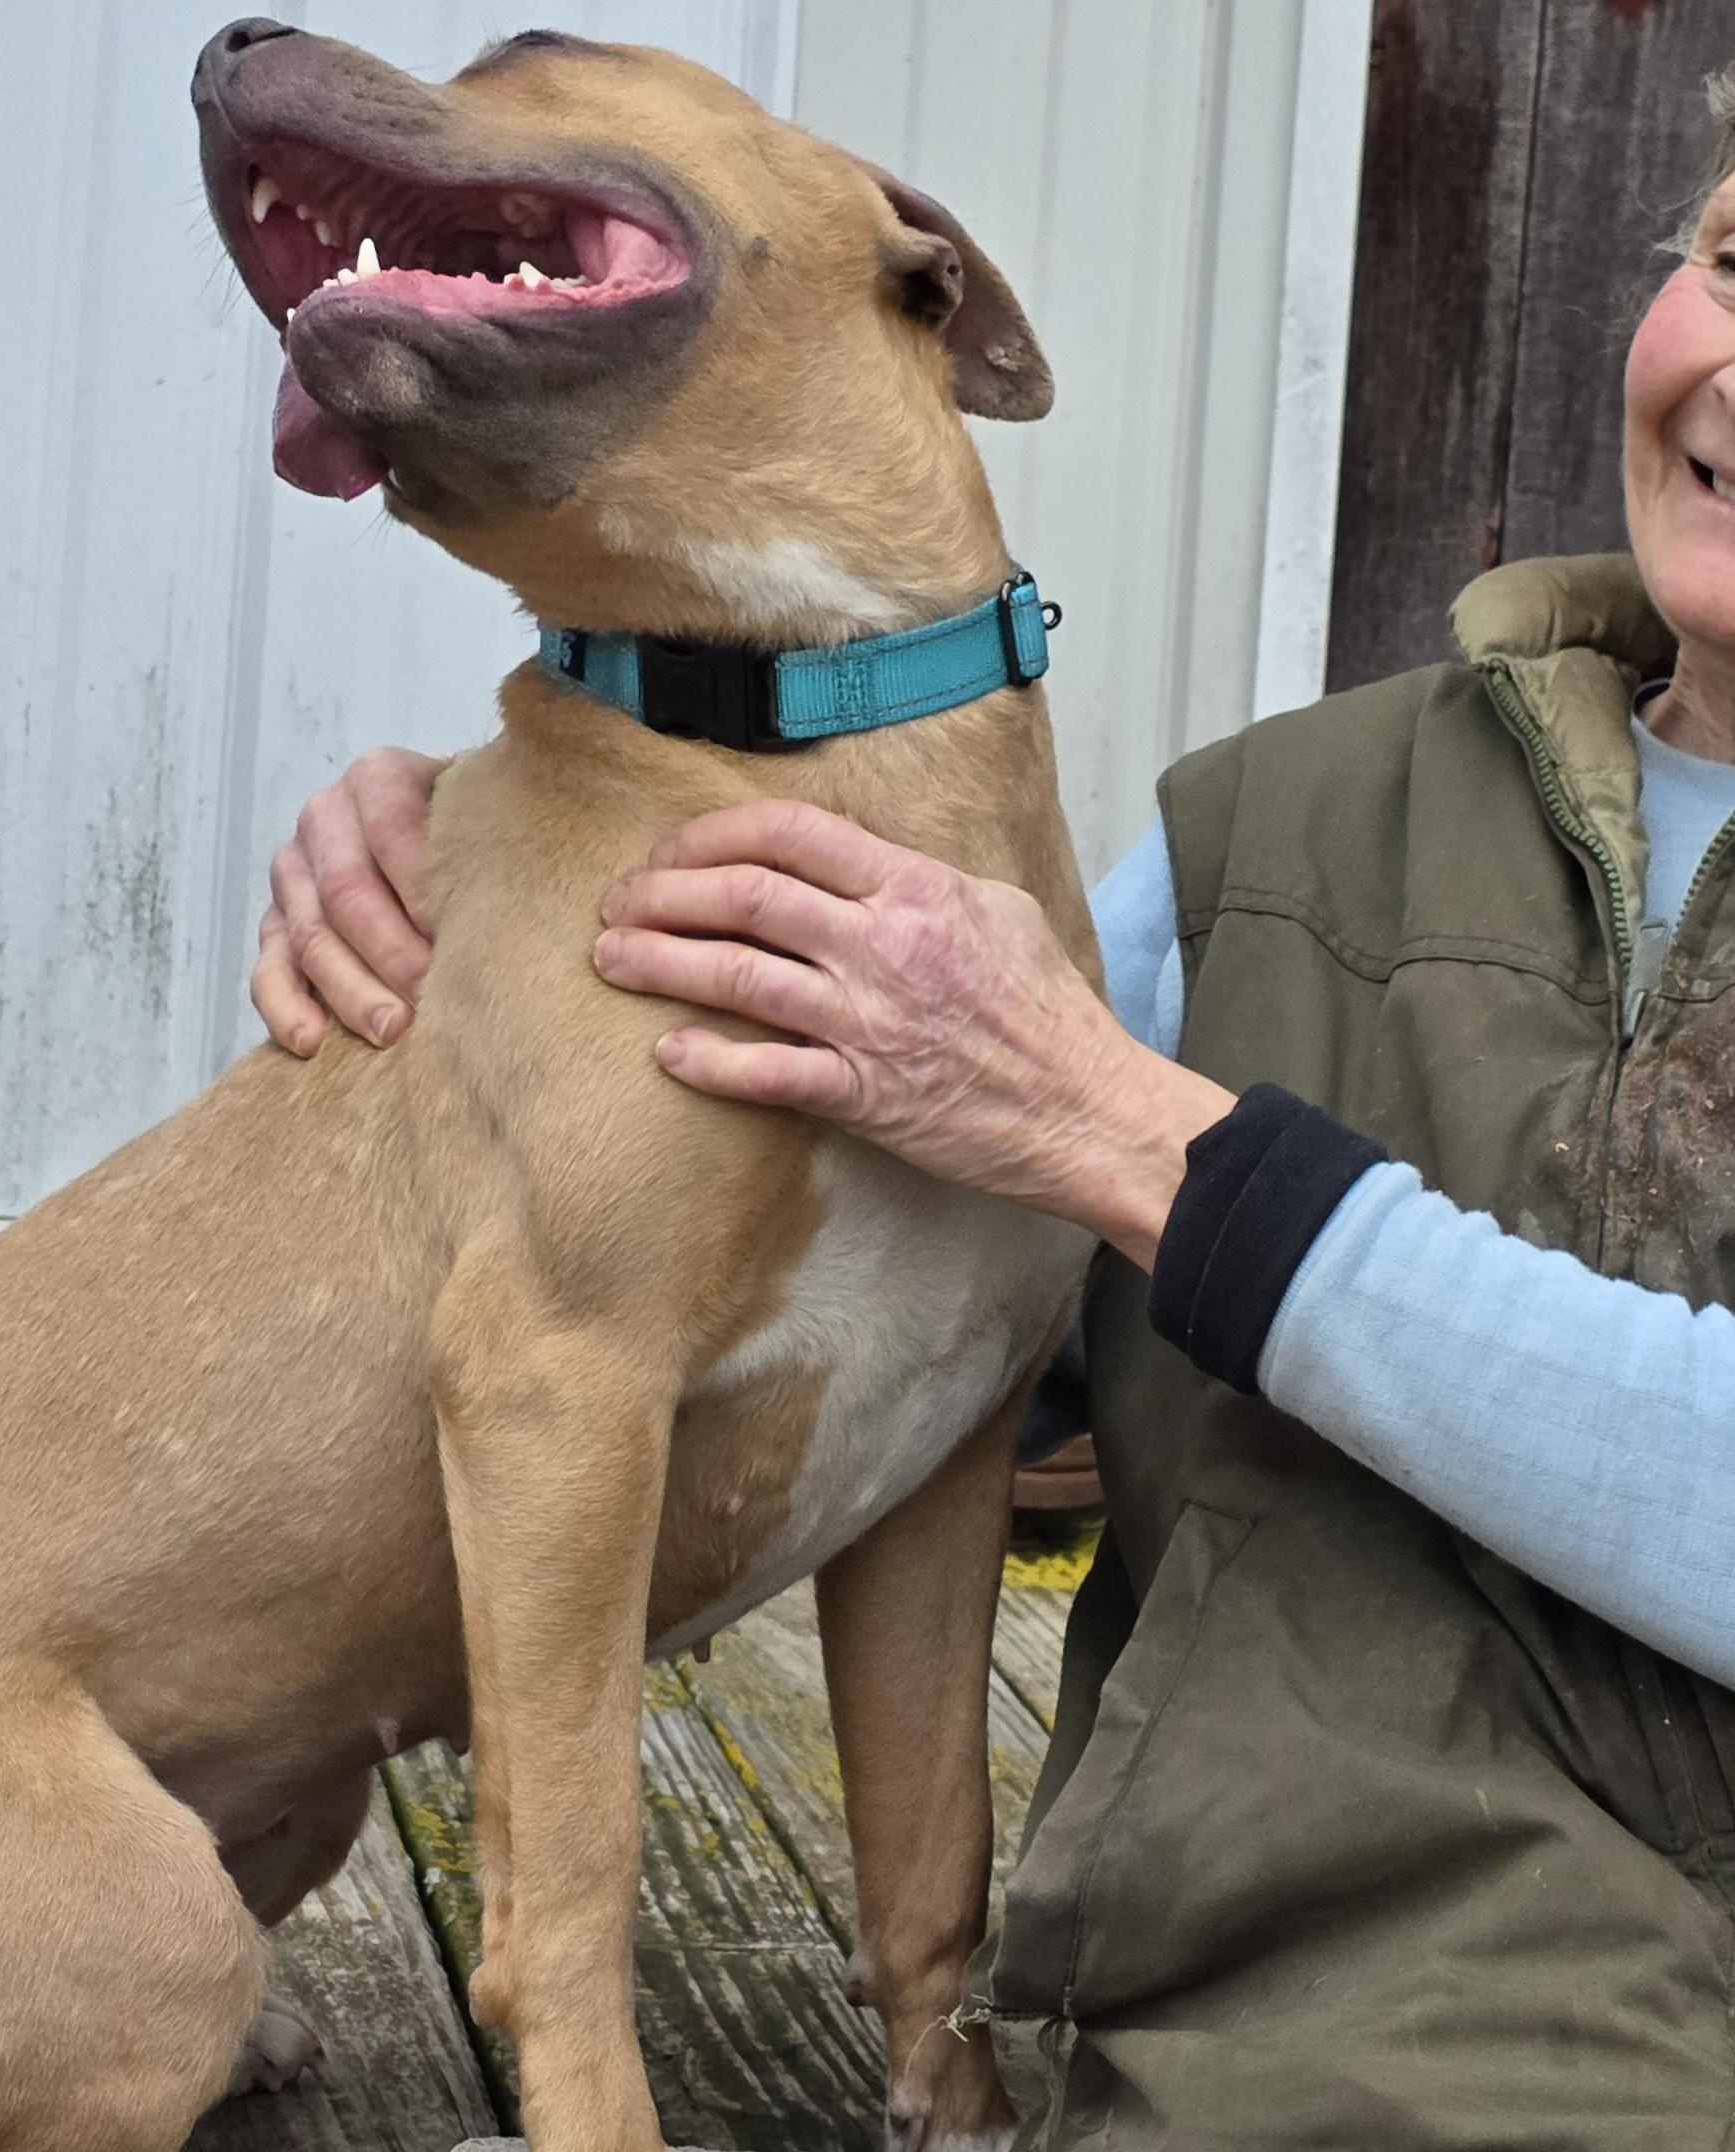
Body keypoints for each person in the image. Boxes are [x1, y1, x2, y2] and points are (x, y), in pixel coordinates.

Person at [247, 80, 1735, 2147]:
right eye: (1732, 259)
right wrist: (481, 839)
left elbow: (1081, 1123)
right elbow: (906, 1286)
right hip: (1221, 2016)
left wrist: (1155, 1153)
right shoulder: (1300, 815)